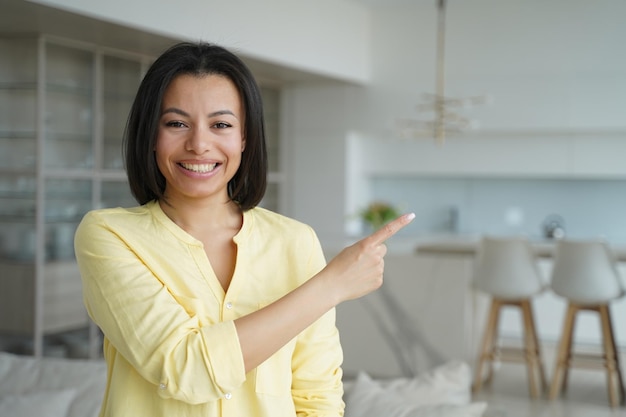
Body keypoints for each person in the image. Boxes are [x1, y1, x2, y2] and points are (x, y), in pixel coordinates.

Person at [74, 41, 414, 417]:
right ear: (151, 136)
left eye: (221, 124)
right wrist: (331, 286)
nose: (199, 144)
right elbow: (185, 370)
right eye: (176, 123)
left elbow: (317, 396)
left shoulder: (295, 241)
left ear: (244, 138)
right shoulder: (109, 235)